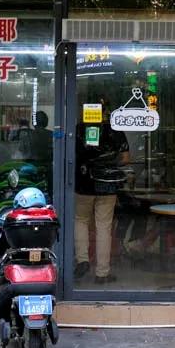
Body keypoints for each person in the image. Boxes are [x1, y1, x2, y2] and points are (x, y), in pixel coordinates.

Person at [75, 102, 130, 284]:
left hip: (83, 184)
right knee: (103, 227)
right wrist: (110, 165)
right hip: (107, 186)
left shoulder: (78, 129)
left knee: (81, 221)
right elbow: (125, 158)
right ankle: (102, 272)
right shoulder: (114, 129)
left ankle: (82, 260)